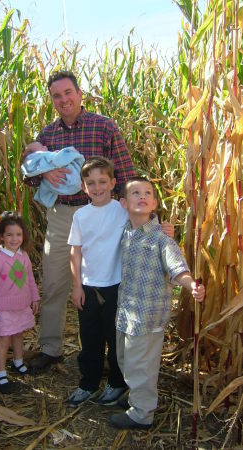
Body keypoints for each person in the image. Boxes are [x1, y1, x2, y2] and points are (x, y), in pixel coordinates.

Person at [25, 70, 137, 373]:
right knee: (54, 283)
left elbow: (125, 173)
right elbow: (28, 173)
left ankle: (113, 353)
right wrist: (43, 172)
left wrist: (143, 217)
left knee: (108, 284)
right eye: (56, 96)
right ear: (51, 101)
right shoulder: (47, 136)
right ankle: (51, 348)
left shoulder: (104, 127)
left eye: (67, 93)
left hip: (101, 214)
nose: (63, 100)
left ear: (79, 93)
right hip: (61, 216)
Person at [67, 158, 174, 407]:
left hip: (118, 287)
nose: (97, 187)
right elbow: (75, 252)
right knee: (90, 338)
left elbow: (146, 221)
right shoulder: (80, 216)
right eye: (90, 183)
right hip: (89, 287)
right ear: (83, 187)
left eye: (102, 181)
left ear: (113, 183)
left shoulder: (122, 209)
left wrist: (165, 228)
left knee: (116, 340)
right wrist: (76, 285)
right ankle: (89, 383)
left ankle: (116, 382)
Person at [110, 177, 205, 429]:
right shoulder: (127, 233)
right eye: (135, 193)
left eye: (147, 193)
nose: (142, 196)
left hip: (148, 316)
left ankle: (142, 413)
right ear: (123, 203)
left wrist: (191, 284)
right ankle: (136, 396)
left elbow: (177, 268)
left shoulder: (162, 240)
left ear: (153, 203)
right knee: (124, 360)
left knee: (140, 366)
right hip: (126, 313)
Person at [0, 212, 40, 393]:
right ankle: (0, 374)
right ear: (1, 236)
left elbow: (30, 278)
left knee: (18, 334)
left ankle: (18, 362)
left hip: (22, 305)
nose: (14, 239)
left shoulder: (24, 256)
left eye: (18, 235)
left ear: (23, 236)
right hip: (4, 308)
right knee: (4, 339)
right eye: (9, 235)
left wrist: (35, 296)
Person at [21, 142, 85, 208]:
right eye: (42, 147)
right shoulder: (41, 155)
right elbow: (57, 159)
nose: (46, 146)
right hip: (59, 208)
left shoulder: (37, 158)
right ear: (35, 154)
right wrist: (43, 172)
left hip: (88, 203)